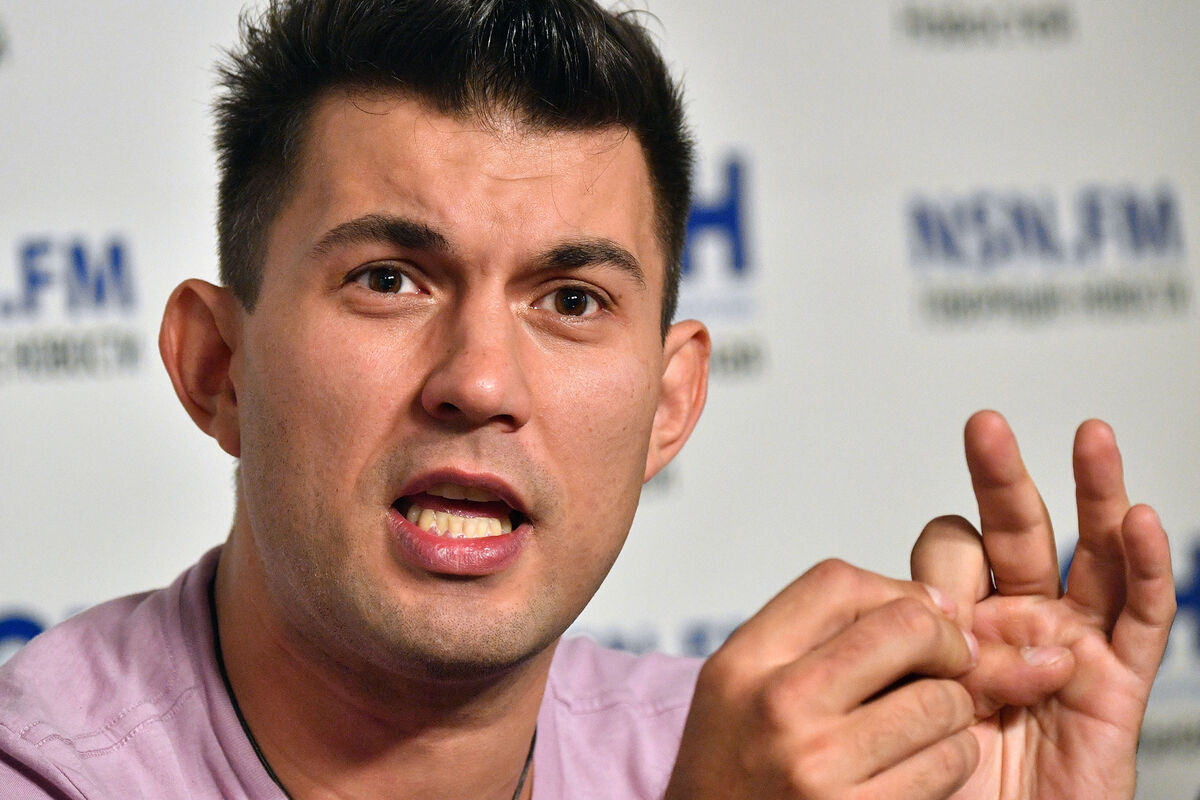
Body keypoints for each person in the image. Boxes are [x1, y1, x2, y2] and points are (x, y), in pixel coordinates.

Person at [0, 1, 1175, 798]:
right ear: (218, 366)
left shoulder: (738, 757)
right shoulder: (43, 768)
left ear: (670, 403)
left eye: (570, 299)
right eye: (389, 279)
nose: (478, 381)